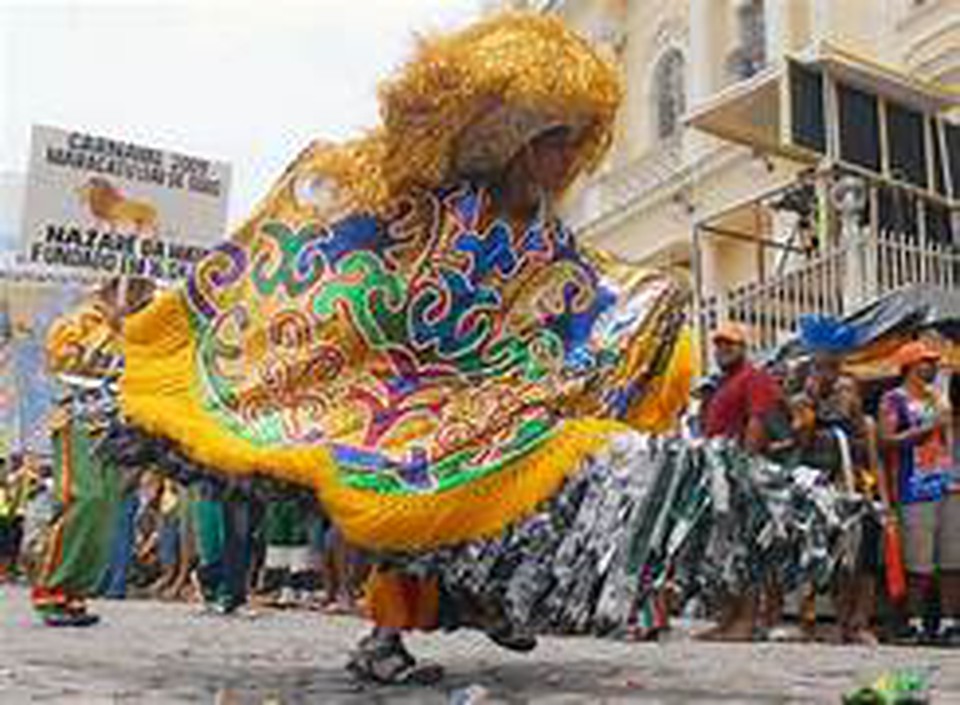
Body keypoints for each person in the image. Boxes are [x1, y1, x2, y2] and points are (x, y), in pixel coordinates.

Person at [101, 11, 865, 685]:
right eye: (557, 144)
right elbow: (379, 267)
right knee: (405, 490)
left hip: (501, 392)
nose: (569, 161)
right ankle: (387, 637)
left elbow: (583, 299)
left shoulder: (545, 233)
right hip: (412, 390)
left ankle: (480, 601)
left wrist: (639, 319)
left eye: (572, 145)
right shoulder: (446, 207)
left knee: (552, 442)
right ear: (525, 147)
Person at [699, 322, 791, 641]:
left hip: (740, 470)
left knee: (745, 547)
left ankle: (748, 620)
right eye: (719, 345)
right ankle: (727, 618)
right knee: (723, 548)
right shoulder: (721, 383)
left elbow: (758, 418)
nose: (723, 349)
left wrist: (744, 466)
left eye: (731, 344)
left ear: (744, 348)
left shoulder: (754, 378)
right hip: (717, 471)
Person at [793, 341, 886, 645]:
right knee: (832, 559)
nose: (828, 374)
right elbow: (800, 448)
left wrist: (883, 499)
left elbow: (870, 452)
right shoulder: (801, 403)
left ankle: (860, 622)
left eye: (833, 367)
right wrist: (809, 409)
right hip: (822, 490)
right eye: (820, 367)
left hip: (858, 489)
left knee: (866, 559)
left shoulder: (858, 412)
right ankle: (838, 620)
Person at [879, 340, 954, 644]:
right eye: (926, 362)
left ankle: (948, 624)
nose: (933, 367)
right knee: (918, 564)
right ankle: (915, 624)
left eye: (934, 362)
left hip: (946, 484)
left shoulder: (939, 397)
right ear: (910, 365)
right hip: (914, 488)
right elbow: (886, 440)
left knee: (951, 560)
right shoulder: (893, 399)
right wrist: (928, 428)